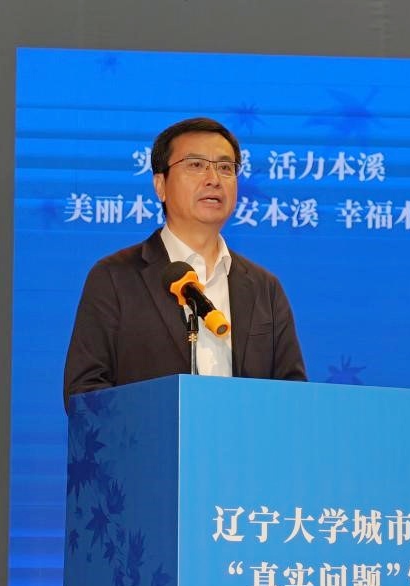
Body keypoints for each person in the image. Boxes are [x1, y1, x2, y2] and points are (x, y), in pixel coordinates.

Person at [63, 117, 307, 408]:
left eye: (225, 168)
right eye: (196, 164)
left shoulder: (264, 287)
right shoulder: (115, 277)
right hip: (149, 439)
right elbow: (85, 394)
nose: (213, 179)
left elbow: (294, 398)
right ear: (160, 185)